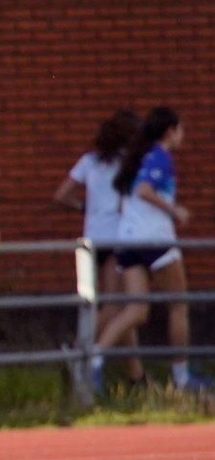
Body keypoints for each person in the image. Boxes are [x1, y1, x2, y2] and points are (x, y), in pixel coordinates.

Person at [93, 108, 200, 391]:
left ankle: (92, 360)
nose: (182, 136)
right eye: (180, 130)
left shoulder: (136, 158)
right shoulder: (159, 157)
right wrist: (175, 210)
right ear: (169, 131)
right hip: (154, 239)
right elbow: (144, 190)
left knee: (136, 309)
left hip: (127, 240)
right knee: (179, 305)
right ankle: (181, 378)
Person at [52, 110, 144, 390]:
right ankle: (78, 347)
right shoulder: (129, 164)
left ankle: (136, 377)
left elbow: (61, 195)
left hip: (92, 239)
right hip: (118, 238)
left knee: (117, 307)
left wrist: (85, 208)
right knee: (118, 306)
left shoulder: (90, 161)